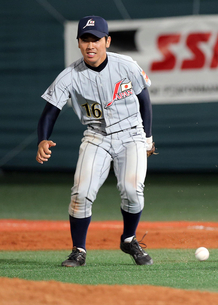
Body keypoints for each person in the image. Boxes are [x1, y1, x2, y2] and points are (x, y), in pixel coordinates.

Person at [35, 16, 156, 267]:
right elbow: (50, 112)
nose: (91, 45)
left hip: (131, 133)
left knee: (133, 190)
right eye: (85, 39)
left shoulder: (126, 65)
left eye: (96, 39)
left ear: (107, 41)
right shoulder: (70, 75)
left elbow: (144, 100)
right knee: (81, 193)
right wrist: (42, 140)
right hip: (96, 135)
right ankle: (78, 250)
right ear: (78, 42)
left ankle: (129, 239)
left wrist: (148, 138)